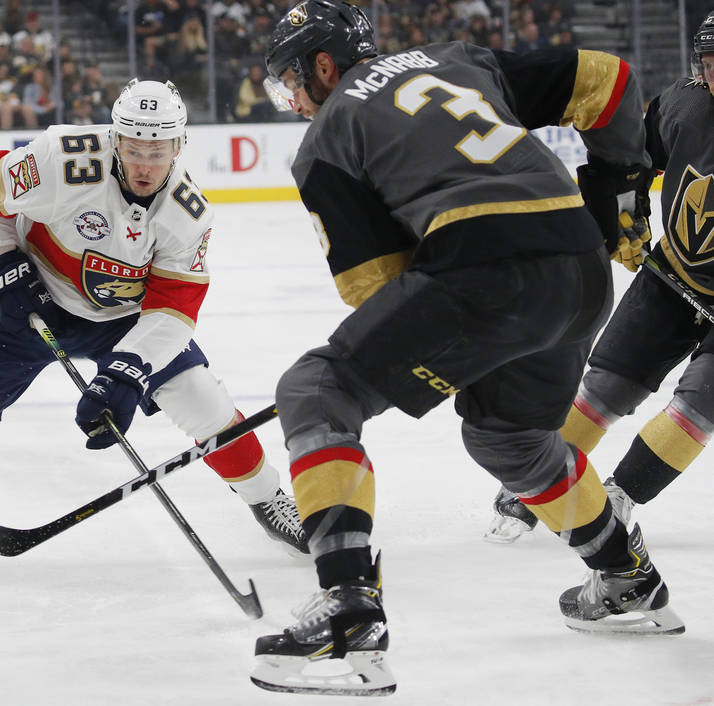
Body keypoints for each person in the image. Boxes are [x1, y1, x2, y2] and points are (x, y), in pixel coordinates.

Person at [249, 1, 682, 696]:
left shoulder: (328, 133)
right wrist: (615, 187)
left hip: (486, 268)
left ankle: (349, 610)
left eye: (292, 82)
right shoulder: (460, 58)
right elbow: (611, 80)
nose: (295, 100)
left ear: (323, 65)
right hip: (579, 265)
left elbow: (377, 288)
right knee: (508, 441)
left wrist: (447, 349)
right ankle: (627, 578)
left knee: (316, 391)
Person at [0, 79, 307, 560]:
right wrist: (0, 260)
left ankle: (269, 500)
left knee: (204, 404)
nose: (145, 164)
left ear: (180, 146)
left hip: (124, 320)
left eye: (158, 151)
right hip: (25, 308)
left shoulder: (188, 214)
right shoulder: (64, 160)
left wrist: (128, 370)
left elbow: (173, 309)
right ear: (114, 138)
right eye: (134, 148)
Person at [486, 11, 714, 542]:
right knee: (606, 385)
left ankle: (620, 495)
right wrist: (626, 207)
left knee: (700, 402)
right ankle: (538, 480)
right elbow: (631, 159)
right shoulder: (684, 103)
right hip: (674, 275)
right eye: (711, 61)